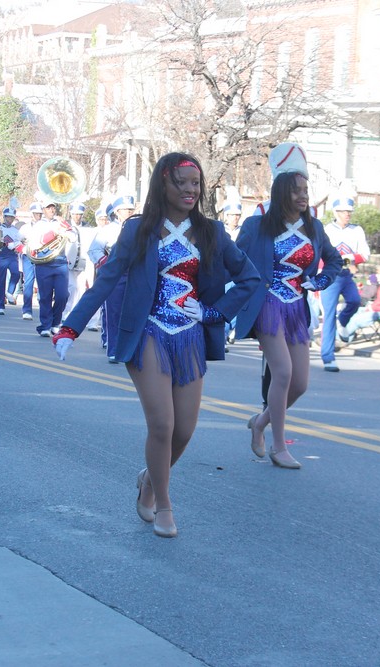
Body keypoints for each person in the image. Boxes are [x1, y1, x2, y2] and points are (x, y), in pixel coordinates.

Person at [53, 152, 258, 537]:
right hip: (147, 331)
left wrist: (212, 312)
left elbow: (250, 278)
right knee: (162, 426)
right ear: (162, 183)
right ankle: (162, 504)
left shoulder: (212, 232)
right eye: (180, 182)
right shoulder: (139, 230)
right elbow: (107, 280)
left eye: (194, 183)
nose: (189, 190)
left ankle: (150, 478)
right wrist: (70, 328)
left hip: (190, 336)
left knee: (184, 431)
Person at [234, 142, 343, 469]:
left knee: (300, 384)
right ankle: (278, 447)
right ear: (282, 191)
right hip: (267, 305)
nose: (302, 196)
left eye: (305, 190)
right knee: (281, 372)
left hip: (297, 307)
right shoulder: (257, 224)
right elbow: (233, 260)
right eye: (296, 190)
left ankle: (260, 422)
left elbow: (334, 262)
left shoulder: (315, 227)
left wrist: (320, 282)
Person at [319, 196, 368, 372]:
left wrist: (348, 259)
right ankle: (328, 356)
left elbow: (365, 253)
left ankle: (343, 323)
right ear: (336, 212)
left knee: (355, 301)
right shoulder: (327, 230)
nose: (347, 215)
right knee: (328, 316)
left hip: (346, 275)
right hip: (330, 276)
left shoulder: (357, 230)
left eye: (349, 211)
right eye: (344, 211)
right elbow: (319, 254)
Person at [88, 195, 135, 360]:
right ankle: (113, 348)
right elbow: (93, 250)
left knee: (132, 312)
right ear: (117, 211)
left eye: (131, 209)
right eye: (125, 209)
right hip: (116, 274)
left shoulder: (140, 228)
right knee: (113, 311)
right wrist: (108, 264)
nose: (129, 212)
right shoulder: (107, 230)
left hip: (135, 274)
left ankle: (129, 347)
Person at [22, 200, 78, 337]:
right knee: (45, 296)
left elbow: (73, 237)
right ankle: (45, 325)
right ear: (43, 209)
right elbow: (33, 243)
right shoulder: (38, 225)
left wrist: (65, 225)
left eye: (53, 207)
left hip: (60, 262)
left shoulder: (60, 222)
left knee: (63, 295)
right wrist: (52, 235)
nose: (51, 210)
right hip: (43, 264)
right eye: (48, 207)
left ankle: (55, 322)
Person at [0, 200, 22, 313]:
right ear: (4, 217)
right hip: (1, 255)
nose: (10, 219)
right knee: (0, 280)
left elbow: (19, 241)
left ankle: (9, 292)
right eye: (8, 217)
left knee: (16, 274)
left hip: (12, 255)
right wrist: (4, 243)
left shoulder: (15, 230)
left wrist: (17, 245)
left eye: (12, 217)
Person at [16, 202, 43, 321]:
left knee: (43, 283)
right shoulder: (25, 228)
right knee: (28, 282)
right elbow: (17, 243)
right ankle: (27, 309)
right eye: (36, 213)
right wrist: (24, 248)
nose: (38, 216)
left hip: (42, 256)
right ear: (31, 214)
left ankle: (43, 309)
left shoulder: (45, 226)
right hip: (28, 256)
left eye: (40, 214)